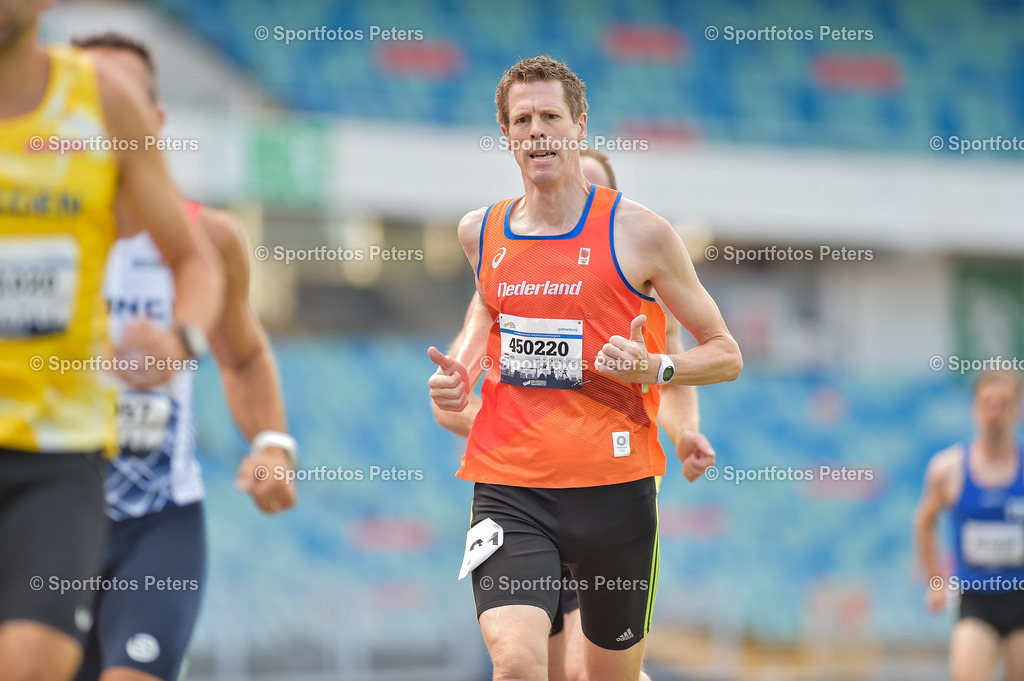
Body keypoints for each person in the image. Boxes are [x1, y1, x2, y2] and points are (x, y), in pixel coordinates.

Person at [428, 56, 741, 681]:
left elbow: (725, 352)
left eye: (550, 116)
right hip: (510, 490)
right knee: (517, 664)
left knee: (599, 678)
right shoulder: (480, 233)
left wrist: (656, 368)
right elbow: (487, 320)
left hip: (615, 494)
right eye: (523, 120)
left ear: (579, 126)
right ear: (506, 134)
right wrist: (456, 377)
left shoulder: (640, 234)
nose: (537, 131)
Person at [0, 3, 223, 680]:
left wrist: (180, 338)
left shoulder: (100, 103)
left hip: (57, 451)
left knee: (34, 661)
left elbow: (195, 260)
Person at [69, 31, 298, 681]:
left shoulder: (208, 238)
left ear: (155, 120)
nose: (105, 111)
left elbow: (245, 355)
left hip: (156, 521)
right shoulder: (24, 227)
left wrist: (273, 445)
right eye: (89, 95)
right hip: (44, 507)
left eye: (123, 98)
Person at [915, 372, 1024, 681]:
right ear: (975, 409)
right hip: (976, 599)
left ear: (1017, 411)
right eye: (987, 404)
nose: (994, 413)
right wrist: (934, 582)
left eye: (1003, 405)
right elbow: (924, 520)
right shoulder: (948, 469)